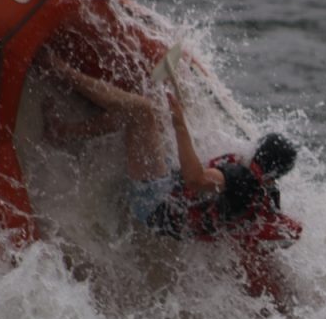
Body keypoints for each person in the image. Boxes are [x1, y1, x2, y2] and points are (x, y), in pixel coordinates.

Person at [38, 45, 301, 294]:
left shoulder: (241, 178)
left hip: (156, 203)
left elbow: (195, 179)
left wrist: (180, 123)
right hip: (170, 212)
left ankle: (58, 68)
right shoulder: (264, 192)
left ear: (259, 151)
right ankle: (63, 132)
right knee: (144, 116)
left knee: (140, 111)